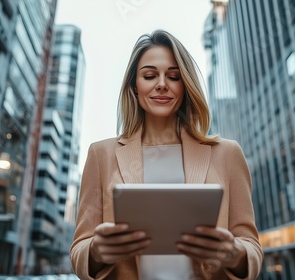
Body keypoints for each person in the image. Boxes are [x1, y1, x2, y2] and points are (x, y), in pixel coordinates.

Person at [70, 30, 263, 280]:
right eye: (150, 75)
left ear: (185, 86)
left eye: (173, 76)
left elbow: (251, 245)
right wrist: (96, 251)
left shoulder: (227, 154)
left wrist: (235, 253)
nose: (162, 84)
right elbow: (79, 249)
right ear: (134, 86)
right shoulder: (101, 155)